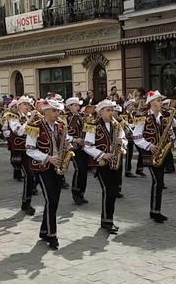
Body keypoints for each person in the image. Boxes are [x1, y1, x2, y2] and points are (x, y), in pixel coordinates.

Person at [25, 99, 73, 250]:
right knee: (50, 199)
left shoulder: (60, 126)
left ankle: (44, 230)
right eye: (54, 111)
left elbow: (64, 141)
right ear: (45, 112)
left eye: (58, 111)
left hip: (57, 166)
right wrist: (48, 158)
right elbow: (30, 149)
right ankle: (52, 235)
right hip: (43, 167)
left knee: (54, 201)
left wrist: (68, 145)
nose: (57, 113)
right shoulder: (35, 126)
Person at [132, 90, 176, 223]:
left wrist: (171, 115)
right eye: (158, 100)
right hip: (150, 153)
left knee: (159, 181)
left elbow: (174, 125)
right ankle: (155, 212)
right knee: (157, 181)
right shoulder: (143, 117)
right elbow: (136, 137)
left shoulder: (164, 116)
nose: (161, 102)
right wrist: (148, 146)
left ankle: (155, 210)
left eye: (161, 100)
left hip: (162, 151)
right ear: (151, 103)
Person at [84, 99, 127, 234]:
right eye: (108, 110)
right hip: (102, 163)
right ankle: (107, 221)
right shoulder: (93, 125)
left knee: (113, 191)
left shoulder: (116, 124)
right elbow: (88, 146)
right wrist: (102, 155)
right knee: (108, 191)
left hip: (115, 161)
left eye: (112, 110)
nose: (111, 113)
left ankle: (108, 220)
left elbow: (124, 138)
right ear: (101, 112)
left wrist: (122, 142)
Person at [65, 97, 89, 205]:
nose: (78, 107)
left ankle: (81, 193)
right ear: (69, 107)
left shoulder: (81, 116)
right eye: (75, 105)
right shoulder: (65, 117)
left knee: (84, 170)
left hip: (83, 147)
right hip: (73, 147)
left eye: (78, 105)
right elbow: (64, 134)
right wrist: (75, 140)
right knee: (79, 169)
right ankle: (75, 193)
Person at [123, 99, 145, 178]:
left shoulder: (134, 114)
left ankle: (139, 169)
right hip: (129, 136)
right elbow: (126, 125)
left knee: (141, 151)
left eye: (133, 105)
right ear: (127, 106)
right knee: (129, 154)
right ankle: (127, 171)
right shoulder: (124, 114)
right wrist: (134, 125)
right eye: (131, 105)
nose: (133, 107)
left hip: (136, 136)